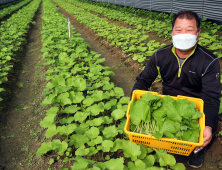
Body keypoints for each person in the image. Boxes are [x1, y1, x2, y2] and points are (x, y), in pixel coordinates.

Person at [132, 10, 220, 168]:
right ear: (172, 32)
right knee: (154, 128)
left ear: (198, 33)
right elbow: (142, 81)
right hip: (169, 105)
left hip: (195, 109)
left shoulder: (209, 61)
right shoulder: (160, 56)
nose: (183, 34)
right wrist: (134, 105)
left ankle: (197, 150)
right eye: (179, 30)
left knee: (207, 129)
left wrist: (207, 125)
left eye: (189, 29)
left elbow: (212, 98)